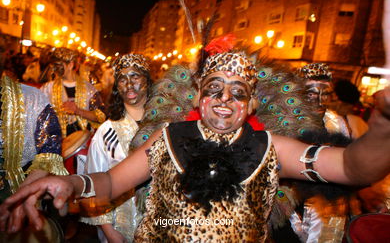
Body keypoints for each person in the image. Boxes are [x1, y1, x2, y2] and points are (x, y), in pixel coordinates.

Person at [1, 48, 390, 241]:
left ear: (252, 104)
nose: (224, 99)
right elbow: (110, 183)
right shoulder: (169, 137)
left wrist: (384, 124)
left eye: (237, 92)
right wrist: (70, 184)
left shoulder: (272, 147)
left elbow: (355, 168)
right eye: (214, 89)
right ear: (198, 99)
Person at [80, 54, 152, 242]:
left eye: (135, 76)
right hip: (120, 228)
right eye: (122, 79)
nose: (129, 84)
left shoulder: (165, 125)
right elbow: (94, 184)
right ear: (116, 86)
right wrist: (110, 233)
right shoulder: (107, 131)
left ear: (147, 79)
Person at [0, 75, 67, 203]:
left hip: (16, 186)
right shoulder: (48, 86)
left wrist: (21, 196)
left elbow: (49, 155)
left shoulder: (33, 98)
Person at [40, 47, 106, 138]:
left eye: (59, 65)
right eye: (54, 66)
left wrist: (77, 111)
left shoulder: (88, 89)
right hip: (56, 142)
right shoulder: (47, 88)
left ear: (70, 65)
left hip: (81, 142)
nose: (55, 69)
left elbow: (100, 116)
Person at [297, 63, 368, 139]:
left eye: (326, 94)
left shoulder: (338, 123)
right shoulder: (360, 123)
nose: (321, 102)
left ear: (335, 97)